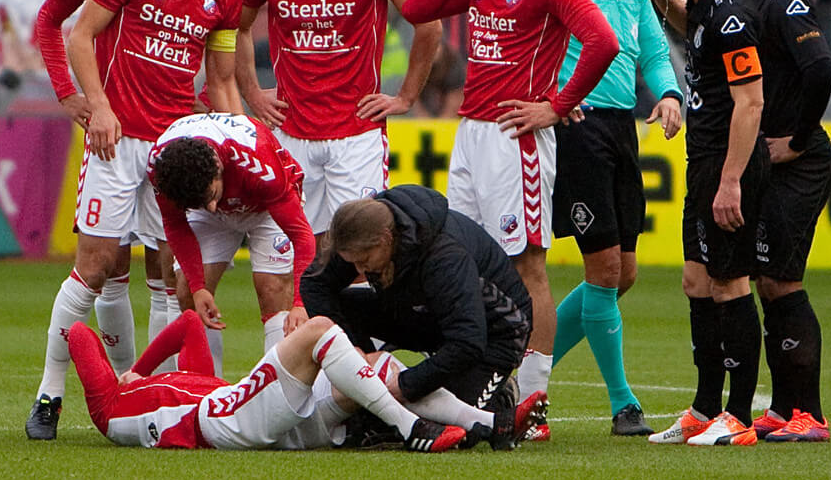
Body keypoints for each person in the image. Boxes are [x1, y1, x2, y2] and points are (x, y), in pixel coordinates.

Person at [26, 0, 255, 440]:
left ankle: (149, 392)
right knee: (98, 267)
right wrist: (94, 107)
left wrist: (239, 145)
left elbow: (222, 82)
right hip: (117, 139)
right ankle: (49, 394)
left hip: (175, 147)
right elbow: (76, 36)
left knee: (167, 273)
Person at [400, 0, 619, 433]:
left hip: (514, 136)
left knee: (526, 265)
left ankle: (535, 398)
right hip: (471, 132)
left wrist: (556, 105)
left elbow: (603, 41)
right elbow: (419, 7)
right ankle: (480, 381)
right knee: (463, 260)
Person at [236, 0, 442, 245]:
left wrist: (406, 97)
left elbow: (429, 22)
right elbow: (236, 29)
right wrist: (250, 92)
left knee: (362, 250)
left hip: (357, 132)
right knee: (297, 255)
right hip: (291, 131)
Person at [33, 0, 184, 378]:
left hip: (169, 136)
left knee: (167, 270)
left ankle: (157, 385)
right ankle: (125, 384)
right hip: (112, 134)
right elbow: (49, 22)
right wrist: (69, 95)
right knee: (111, 268)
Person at [551, 0, 682, 438]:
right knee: (603, 270)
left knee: (624, 274)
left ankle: (521, 371)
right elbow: (528, 43)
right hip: (576, 129)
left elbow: (650, 46)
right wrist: (552, 101)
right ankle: (624, 403)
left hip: (622, 128)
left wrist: (670, 93)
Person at [633, 0, 769, 447]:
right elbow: (687, 18)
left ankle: (740, 417)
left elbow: (750, 102)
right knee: (696, 282)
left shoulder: (733, 17)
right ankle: (704, 406)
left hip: (728, 167)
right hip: (703, 163)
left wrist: (731, 180)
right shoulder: (706, 7)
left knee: (730, 282)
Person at [300, 183, 546, 448]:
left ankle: (499, 396)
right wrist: (355, 355)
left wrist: (407, 385)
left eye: (364, 260)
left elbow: (468, 340)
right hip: (425, 313)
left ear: (385, 238)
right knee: (344, 305)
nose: (360, 269)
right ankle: (370, 384)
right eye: (353, 263)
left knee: (454, 433)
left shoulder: (444, 257)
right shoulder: (361, 230)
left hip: (495, 333)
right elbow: (314, 284)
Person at [68, 308, 466, 452]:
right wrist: (128, 377)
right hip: (222, 418)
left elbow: (189, 324)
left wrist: (138, 369)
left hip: (245, 414)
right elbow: (79, 333)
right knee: (317, 330)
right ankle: (410, 426)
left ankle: (483, 423)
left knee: (373, 363)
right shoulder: (108, 409)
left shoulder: (182, 382)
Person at [730, 0, 831, 442]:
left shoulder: (787, 1)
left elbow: (821, 68)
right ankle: (785, 407)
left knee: (783, 281)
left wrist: (796, 139)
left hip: (800, 160)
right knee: (769, 281)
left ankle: (810, 414)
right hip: (777, 160)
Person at [148, 112, 317, 374]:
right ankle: (206, 393)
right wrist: (197, 287)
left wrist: (299, 302)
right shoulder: (162, 171)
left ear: (218, 166)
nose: (213, 206)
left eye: (212, 195)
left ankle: (274, 394)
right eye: (203, 203)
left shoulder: (258, 162)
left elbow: (302, 236)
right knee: (187, 294)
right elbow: (176, 225)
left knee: (272, 289)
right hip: (213, 208)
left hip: (265, 206)